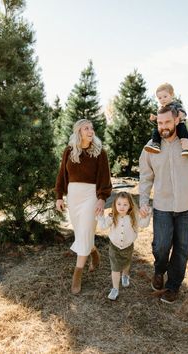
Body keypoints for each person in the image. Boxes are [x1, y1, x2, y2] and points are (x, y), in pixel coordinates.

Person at [139, 105, 188, 304]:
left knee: (181, 249)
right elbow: (145, 177)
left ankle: (173, 286)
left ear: (177, 120)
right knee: (161, 246)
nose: (163, 127)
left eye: (167, 122)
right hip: (163, 206)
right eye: (160, 123)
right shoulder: (151, 146)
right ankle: (160, 270)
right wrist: (144, 202)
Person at [55, 119, 112, 295]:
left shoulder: (99, 153)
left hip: (90, 197)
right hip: (73, 196)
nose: (90, 131)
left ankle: (77, 275)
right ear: (78, 132)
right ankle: (93, 252)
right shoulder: (69, 151)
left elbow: (105, 178)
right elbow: (62, 175)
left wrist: (102, 199)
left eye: (91, 128)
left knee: (85, 231)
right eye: (86, 128)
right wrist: (59, 197)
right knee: (82, 233)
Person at [97, 191, 151, 300]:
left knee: (126, 263)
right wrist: (99, 216)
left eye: (125, 204)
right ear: (115, 205)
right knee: (115, 267)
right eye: (119, 204)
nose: (122, 207)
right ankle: (115, 289)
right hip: (114, 247)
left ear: (130, 205)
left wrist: (147, 215)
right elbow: (102, 226)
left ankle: (125, 275)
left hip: (128, 246)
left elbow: (144, 224)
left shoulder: (134, 217)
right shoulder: (112, 217)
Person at [144, 82, 188, 156]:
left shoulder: (176, 105)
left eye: (165, 96)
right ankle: (156, 145)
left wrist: (181, 115)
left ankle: (186, 148)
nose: (162, 99)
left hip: (177, 124)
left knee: (182, 129)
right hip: (166, 127)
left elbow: (183, 113)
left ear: (172, 95)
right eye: (160, 98)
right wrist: (155, 119)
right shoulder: (160, 108)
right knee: (156, 130)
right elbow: (161, 122)